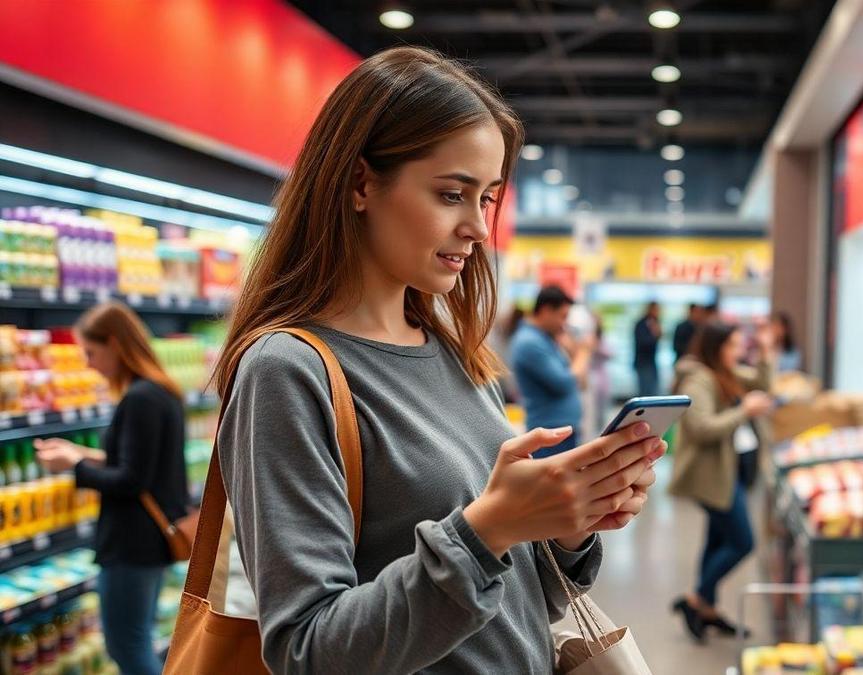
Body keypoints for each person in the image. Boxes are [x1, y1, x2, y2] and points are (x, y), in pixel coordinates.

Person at [208, 47, 664, 673]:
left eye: (488, 199)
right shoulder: (288, 371)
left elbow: (513, 604)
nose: (478, 227)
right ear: (360, 183)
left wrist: (565, 526)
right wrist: (488, 531)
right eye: (453, 194)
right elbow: (307, 650)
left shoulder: (451, 350)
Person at [34, 302, 188, 675]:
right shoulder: (159, 391)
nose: (88, 364)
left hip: (132, 545)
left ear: (115, 344)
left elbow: (130, 480)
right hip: (152, 542)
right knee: (139, 639)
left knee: (126, 646)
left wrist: (75, 467)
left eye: (91, 352)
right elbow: (137, 464)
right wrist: (80, 453)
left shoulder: (139, 399)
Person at [669, 321, 775, 643]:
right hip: (711, 475)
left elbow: (762, 384)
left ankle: (708, 609)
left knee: (717, 540)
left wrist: (766, 351)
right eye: (733, 345)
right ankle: (696, 599)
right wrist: (744, 410)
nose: (739, 351)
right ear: (716, 348)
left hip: (729, 472)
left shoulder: (725, 372)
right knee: (742, 542)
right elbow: (702, 428)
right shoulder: (699, 378)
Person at [510, 286, 593, 457]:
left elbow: (580, 382)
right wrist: (583, 353)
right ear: (546, 311)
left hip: (560, 431)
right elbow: (564, 383)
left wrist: (573, 352)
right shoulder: (530, 343)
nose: (565, 323)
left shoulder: (546, 339)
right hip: (549, 434)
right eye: (563, 316)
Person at [587, 313, 614, 438]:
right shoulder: (586, 338)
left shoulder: (602, 339)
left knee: (602, 409)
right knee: (591, 411)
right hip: (590, 377)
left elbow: (610, 353)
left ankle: (602, 434)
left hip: (601, 377)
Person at [634, 301, 662, 396]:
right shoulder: (641, 324)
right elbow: (643, 343)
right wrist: (654, 335)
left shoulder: (655, 322)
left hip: (652, 362)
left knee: (653, 391)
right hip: (643, 362)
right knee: (645, 392)